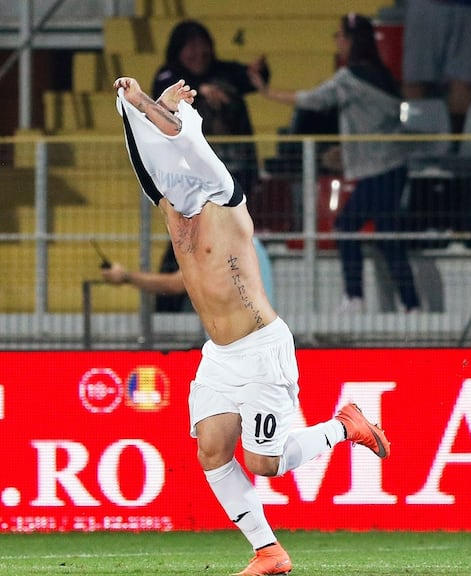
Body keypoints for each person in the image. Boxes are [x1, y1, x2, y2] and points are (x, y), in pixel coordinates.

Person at [113, 75, 390, 576]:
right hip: (219, 355)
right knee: (211, 451)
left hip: (261, 348)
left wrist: (147, 104)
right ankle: (268, 552)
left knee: (267, 463)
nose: (171, 179)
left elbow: (185, 142)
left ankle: (345, 427)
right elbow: (145, 162)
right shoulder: (173, 210)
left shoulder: (224, 195)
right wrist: (130, 109)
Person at [250, 13, 421, 314]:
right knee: (387, 235)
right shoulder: (382, 75)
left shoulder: (352, 78)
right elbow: (375, 125)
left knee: (346, 226)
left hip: (379, 169)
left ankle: (355, 297)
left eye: (340, 36)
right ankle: (411, 304)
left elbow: (313, 99)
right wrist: (348, 151)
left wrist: (265, 92)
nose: (336, 42)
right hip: (394, 165)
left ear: (352, 41)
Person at [152, 20, 266, 203]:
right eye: (192, 49)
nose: (199, 54)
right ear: (178, 51)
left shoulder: (223, 72)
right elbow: (162, 90)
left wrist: (259, 71)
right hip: (188, 171)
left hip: (235, 166)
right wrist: (198, 91)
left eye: (203, 48)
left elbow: (249, 78)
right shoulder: (167, 74)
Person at [100, 237, 276, 310]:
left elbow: (174, 284)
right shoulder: (254, 244)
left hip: (238, 349)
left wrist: (126, 276)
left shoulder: (221, 249)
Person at [400, 0, 471, 135]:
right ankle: (415, 141)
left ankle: (457, 146)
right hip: (426, 6)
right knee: (416, 80)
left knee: (463, 82)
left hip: (470, 8)